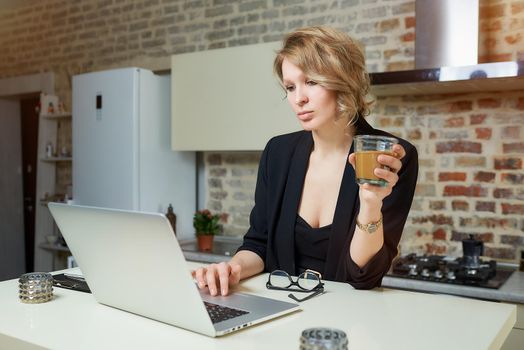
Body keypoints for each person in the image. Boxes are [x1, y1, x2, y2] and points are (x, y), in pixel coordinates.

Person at [193, 26, 418, 296]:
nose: (298, 98)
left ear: (343, 81)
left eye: (311, 82)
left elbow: (364, 275)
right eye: (290, 87)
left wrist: (370, 203)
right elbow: (258, 244)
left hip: (349, 324)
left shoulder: (388, 155)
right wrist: (231, 269)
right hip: (279, 312)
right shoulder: (277, 152)